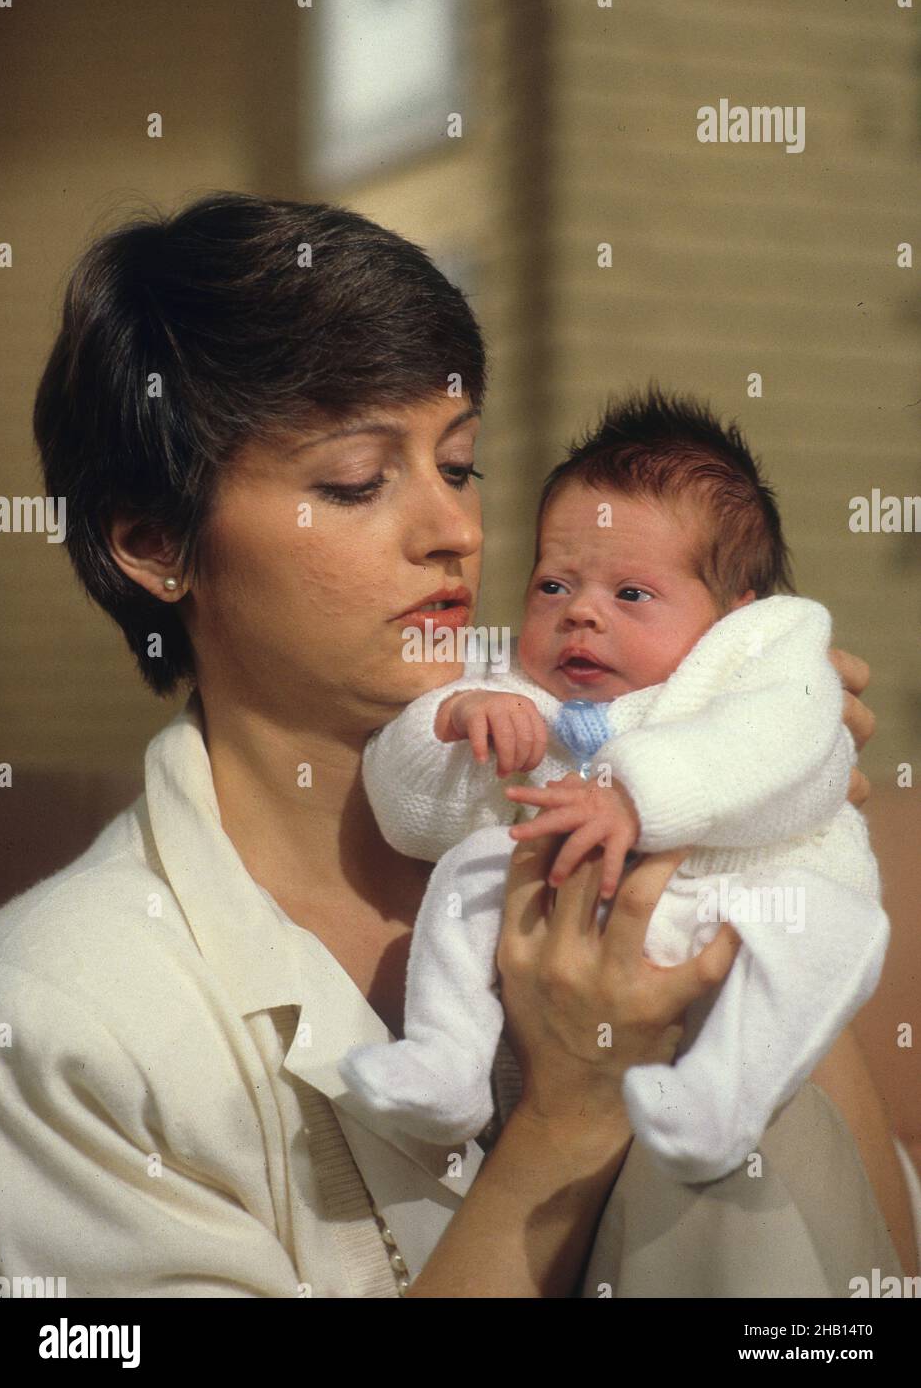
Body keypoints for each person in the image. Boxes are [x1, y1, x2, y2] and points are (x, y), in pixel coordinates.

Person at [0, 192, 916, 1298]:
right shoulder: (58, 1021)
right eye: (355, 481)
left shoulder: (591, 747)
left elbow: (868, 1278)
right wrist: (568, 1111)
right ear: (154, 543)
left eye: (460, 464)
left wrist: (761, 826)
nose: (457, 530)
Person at [341, 392, 889, 1187]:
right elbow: (408, 816)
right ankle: (445, 1060)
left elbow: (791, 739)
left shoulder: (769, 654)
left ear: (736, 614)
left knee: (819, 937)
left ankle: (720, 1103)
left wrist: (640, 797)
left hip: (738, 901)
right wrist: (457, 720)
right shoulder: (526, 697)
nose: (580, 617)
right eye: (554, 587)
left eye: (631, 595)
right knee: (471, 874)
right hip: (578, 958)